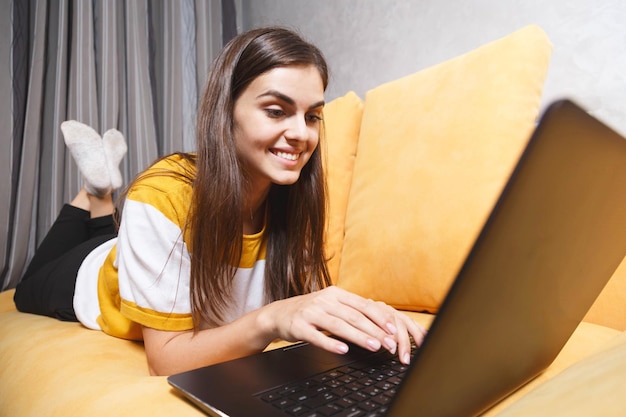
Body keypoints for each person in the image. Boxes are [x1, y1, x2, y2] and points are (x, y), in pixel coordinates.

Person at [14, 26, 425, 376]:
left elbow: (308, 300)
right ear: (226, 112)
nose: (302, 134)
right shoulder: (162, 195)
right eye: (277, 110)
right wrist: (269, 320)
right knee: (26, 286)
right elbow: (165, 360)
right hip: (89, 275)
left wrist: (373, 319)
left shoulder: (294, 195)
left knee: (109, 231)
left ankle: (102, 198)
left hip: (140, 247)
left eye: (312, 115)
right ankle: (92, 192)